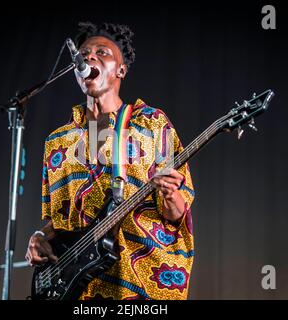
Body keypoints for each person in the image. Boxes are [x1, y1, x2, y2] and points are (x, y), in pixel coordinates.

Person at [25, 22, 195, 300]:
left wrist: (170, 194)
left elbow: (176, 214)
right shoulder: (57, 141)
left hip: (133, 279)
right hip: (75, 287)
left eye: (102, 52)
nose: (90, 57)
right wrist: (39, 236)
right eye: (84, 53)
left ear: (121, 70)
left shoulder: (152, 123)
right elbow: (60, 220)